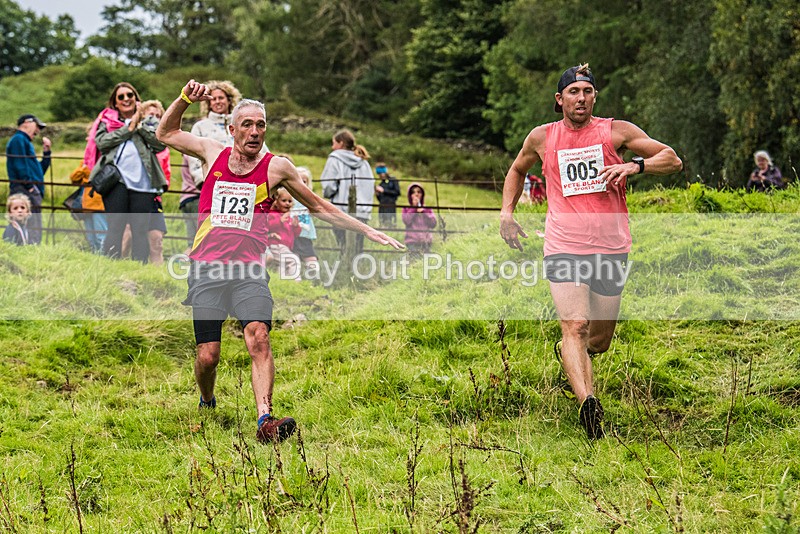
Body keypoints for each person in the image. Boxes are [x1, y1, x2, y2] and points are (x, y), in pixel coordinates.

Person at [156, 79, 403, 443]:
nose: (255, 132)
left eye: (261, 125)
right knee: (208, 356)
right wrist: (182, 100)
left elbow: (319, 206)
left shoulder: (277, 168)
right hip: (207, 267)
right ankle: (206, 402)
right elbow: (166, 132)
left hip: (249, 270)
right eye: (248, 125)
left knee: (258, 337)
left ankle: (265, 420)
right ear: (232, 129)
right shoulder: (212, 152)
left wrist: (367, 230)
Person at [499, 64, 682, 440]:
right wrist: (506, 213)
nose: (580, 98)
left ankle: (570, 357)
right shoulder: (542, 137)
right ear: (559, 99)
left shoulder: (616, 132)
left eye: (587, 91)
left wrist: (636, 166)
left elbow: (672, 159)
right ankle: (588, 405)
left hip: (612, 247)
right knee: (575, 326)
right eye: (573, 92)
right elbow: (517, 170)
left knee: (598, 339)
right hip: (563, 244)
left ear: (594, 96)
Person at [87, 82, 168, 263]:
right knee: (116, 226)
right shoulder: (107, 122)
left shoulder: (149, 121)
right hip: (116, 181)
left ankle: (139, 269)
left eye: (129, 95)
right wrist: (127, 128)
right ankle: (110, 267)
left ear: (136, 98)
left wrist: (138, 125)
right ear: (115, 103)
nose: (126, 99)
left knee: (140, 229)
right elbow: (102, 142)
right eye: (121, 96)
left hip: (144, 183)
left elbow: (160, 143)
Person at [120, 100, 171, 264]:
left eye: (158, 116)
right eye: (151, 114)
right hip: (135, 194)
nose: (154, 118)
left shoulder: (163, 144)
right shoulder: (135, 138)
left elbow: (166, 174)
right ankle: (118, 270)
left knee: (156, 240)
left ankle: (157, 278)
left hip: (154, 197)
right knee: (127, 234)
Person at [320, 129, 375, 254]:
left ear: (340, 143)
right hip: (362, 212)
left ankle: (345, 270)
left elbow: (329, 185)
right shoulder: (363, 162)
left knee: (343, 246)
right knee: (357, 248)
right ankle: (356, 271)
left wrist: (328, 194)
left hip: (340, 211)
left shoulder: (334, 159)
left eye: (334, 143)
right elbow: (370, 185)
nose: (332, 147)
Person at [5, 114, 51, 244]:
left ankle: (31, 248)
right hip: (24, 189)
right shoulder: (18, 140)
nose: (38, 131)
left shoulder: (24, 142)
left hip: (28, 188)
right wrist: (30, 187)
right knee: (28, 224)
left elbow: (39, 172)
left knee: (33, 224)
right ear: (27, 123)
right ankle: (27, 248)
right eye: (37, 126)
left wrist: (46, 154)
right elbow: (19, 165)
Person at [267, 187, 302, 281]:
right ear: (276, 202)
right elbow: (267, 226)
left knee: (282, 266)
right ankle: (297, 281)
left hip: (286, 246)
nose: (287, 203)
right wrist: (279, 221)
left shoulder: (290, 217)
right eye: (284, 200)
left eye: (290, 201)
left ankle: (283, 282)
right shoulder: (272, 214)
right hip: (276, 244)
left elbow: (296, 234)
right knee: (293, 260)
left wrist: (296, 226)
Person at [290, 166, 320, 275]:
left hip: (305, 233)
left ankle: (313, 280)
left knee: (311, 259)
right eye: (299, 180)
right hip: (292, 233)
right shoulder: (288, 197)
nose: (302, 183)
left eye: (304, 181)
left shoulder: (310, 198)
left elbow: (317, 211)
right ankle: (295, 280)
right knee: (294, 258)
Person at [402, 183, 437, 257]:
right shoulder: (406, 209)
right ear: (409, 195)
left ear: (422, 195)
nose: (416, 194)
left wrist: (424, 212)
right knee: (415, 261)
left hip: (426, 241)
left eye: (419, 192)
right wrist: (414, 209)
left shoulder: (427, 209)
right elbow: (406, 221)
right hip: (412, 242)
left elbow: (433, 223)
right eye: (413, 192)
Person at [375, 162, 401, 227]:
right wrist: (377, 194)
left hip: (390, 207)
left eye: (381, 173)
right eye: (379, 174)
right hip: (382, 208)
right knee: (382, 225)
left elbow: (397, 192)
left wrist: (384, 191)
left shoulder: (393, 180)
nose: (380, 175)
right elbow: (380, 199)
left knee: (391, 225)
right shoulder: (381, 184)